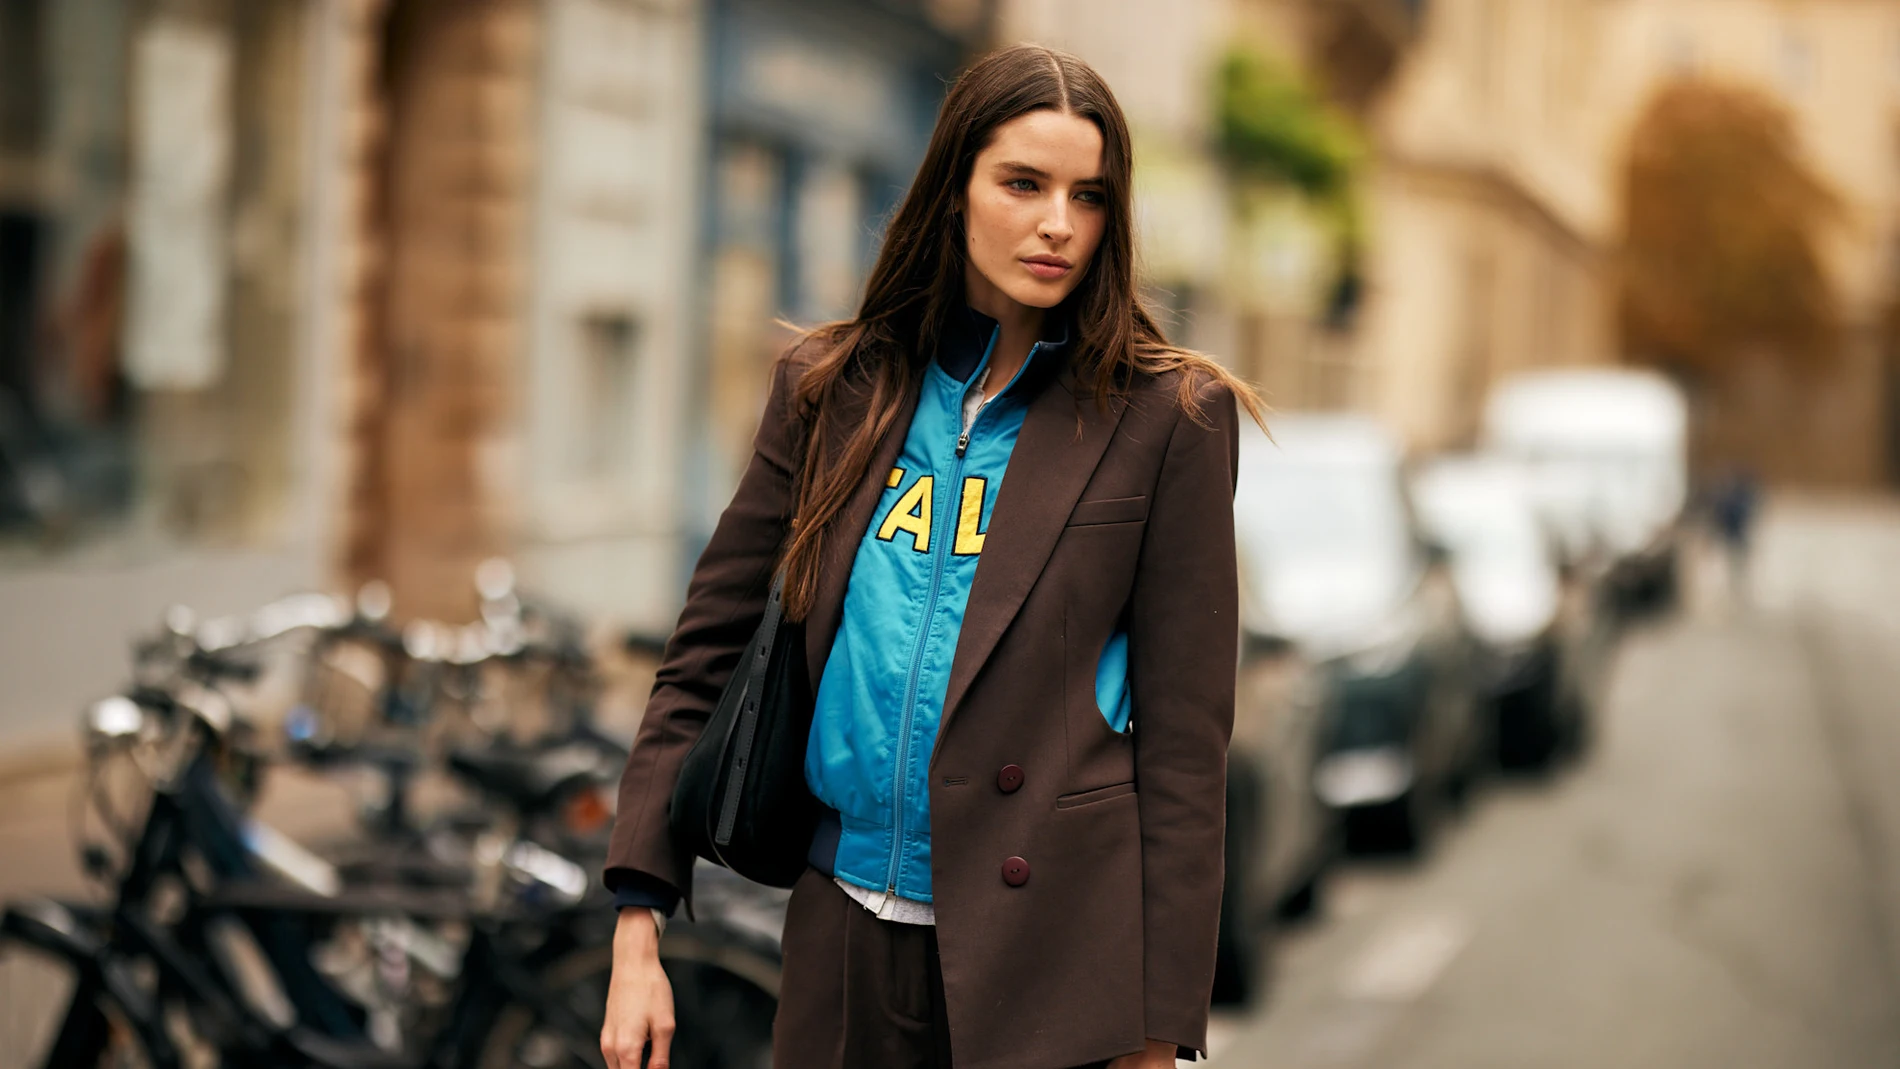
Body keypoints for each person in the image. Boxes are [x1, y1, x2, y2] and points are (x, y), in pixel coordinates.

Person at [600, 44, 1265, 1069]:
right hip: (839, 941)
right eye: (1022, 183)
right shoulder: (832, 388)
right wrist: (637, 918)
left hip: (1049, 967)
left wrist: (1158, 1031)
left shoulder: (1165, 420)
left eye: (1088, 196)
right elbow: (705, 649)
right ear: (954, 191)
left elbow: (1184, 750)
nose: (1057, 223)